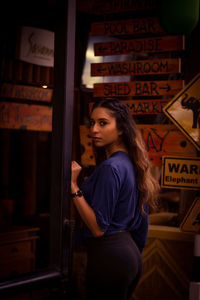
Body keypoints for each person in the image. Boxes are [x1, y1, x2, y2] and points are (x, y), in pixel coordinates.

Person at [71, 98, 160, 300]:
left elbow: (98, 228)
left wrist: (73, 187)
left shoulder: (111, 168)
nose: (94, 129)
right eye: (91, 123)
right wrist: (129, 255)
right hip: (128, 256)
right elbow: (142, 227)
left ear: (121, 129)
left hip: (109, 256)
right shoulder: (132, 164)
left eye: (103, 123)